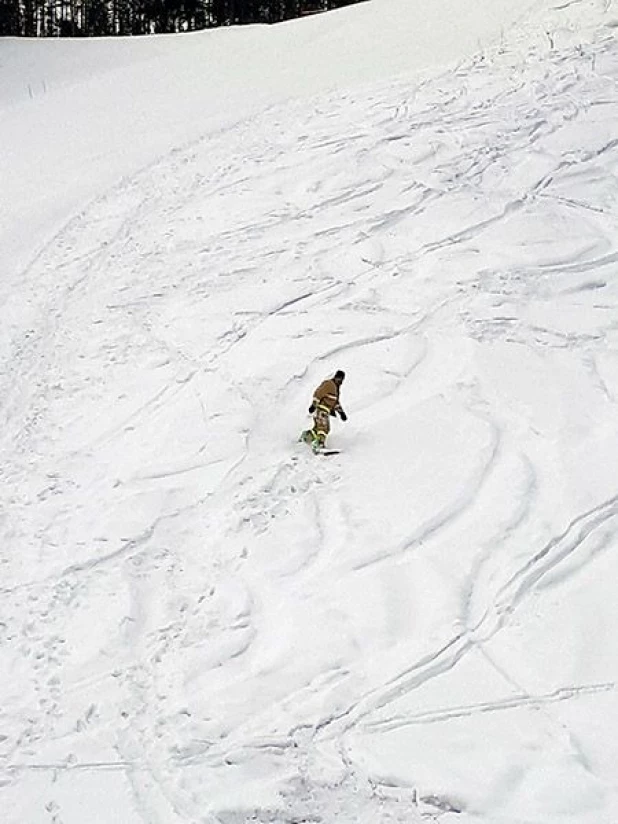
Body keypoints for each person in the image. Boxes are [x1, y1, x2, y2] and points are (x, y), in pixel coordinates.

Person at [301, 370, 347, 452]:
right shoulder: (329, 384)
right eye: (338, 378)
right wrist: (314, 405)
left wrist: (341, 413)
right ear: (335, 377)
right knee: (324, 428)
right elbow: (319, 393)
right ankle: (319, 444)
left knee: (318, 428)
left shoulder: (336, 389)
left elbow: (335, 403)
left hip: (325, 411)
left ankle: (306, 437)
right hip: (321, 409)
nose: (340, 381)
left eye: (341, 379)